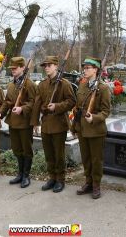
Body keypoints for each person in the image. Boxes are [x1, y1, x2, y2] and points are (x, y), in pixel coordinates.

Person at [31, 56, 76, 193]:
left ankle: (60, 179)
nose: (46, 68)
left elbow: (71, 101)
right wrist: (35, 122)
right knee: (49, 154)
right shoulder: (42, 84)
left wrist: (56, 106)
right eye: (45, 66)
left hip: (59, 124)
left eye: (49, 65)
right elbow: (37, 103)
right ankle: (52, 177)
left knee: (59, 154)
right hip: (45, 124)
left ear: (56, 66)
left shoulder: (64, 84)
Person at [71, 57, 111, 199]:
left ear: (95, 70)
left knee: (96, 159)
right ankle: (88, 182)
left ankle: (96, 185)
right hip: (82, 129)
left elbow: (106, 111)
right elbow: (77, 108)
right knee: (86, 158)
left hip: (95, 130)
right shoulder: (82, 85)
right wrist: (74, 127)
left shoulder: (103, 88)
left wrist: (93, 118)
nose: (85, 70)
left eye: (88, 68)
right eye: (84, 67)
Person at [0, 57, 37, 188]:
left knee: (26, 150)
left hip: (25, 122)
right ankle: (19, 174)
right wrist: (0, 113)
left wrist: (22, 108)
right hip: (13, 122)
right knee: (17, 149)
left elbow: (33, 102)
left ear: (22, 68)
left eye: (15, 68)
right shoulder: (12, 84)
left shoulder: (29, 84)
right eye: (12, 68)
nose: (13, 70)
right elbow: (7, 101)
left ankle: (26, 175)